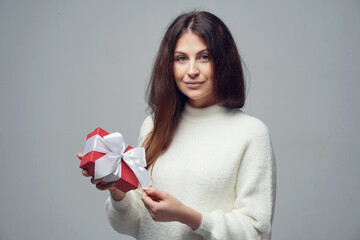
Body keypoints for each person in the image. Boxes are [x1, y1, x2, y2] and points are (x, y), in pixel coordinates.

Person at [77, 11, 276, 240]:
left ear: (223, 62)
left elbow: (256, 232)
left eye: (204, 57)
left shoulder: (251, 133)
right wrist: (118, 189)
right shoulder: (154, 125)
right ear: (169, 65)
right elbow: (134, 225)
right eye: (181, 58)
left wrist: (188, 216)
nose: (192, 70)